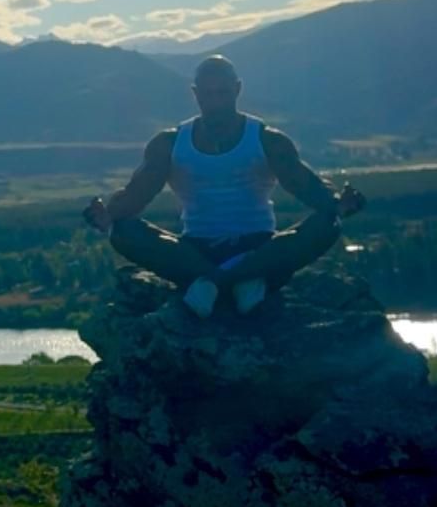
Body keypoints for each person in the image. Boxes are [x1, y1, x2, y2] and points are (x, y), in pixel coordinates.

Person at [82, 54, 365, 318]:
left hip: (260, 248)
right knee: (123, 231)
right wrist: (107, 215)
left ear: (237, 89)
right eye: (208, 94)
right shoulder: (169, 144)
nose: (216, 103)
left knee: (328, 223)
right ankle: (242, 281)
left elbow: (307, 186)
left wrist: (338, 203)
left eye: (223, 93)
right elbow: (136, 195)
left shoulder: (268, 140)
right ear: (195, 94)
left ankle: (211, 283)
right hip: (194, 251)